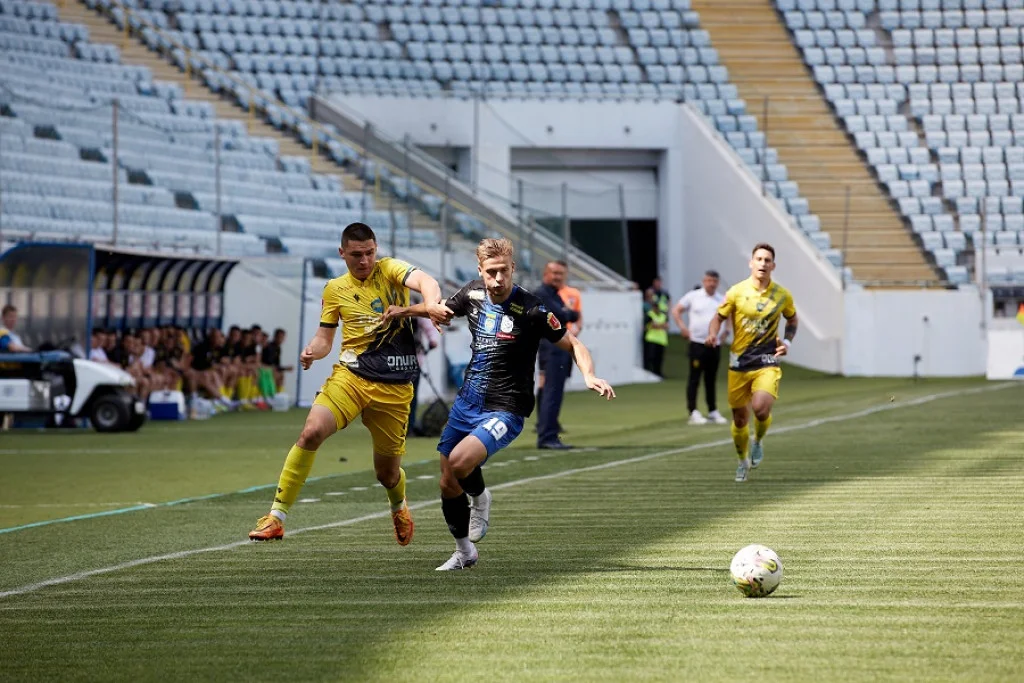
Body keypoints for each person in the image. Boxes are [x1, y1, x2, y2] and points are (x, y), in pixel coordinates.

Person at [384, 238, 615, 571]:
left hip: (506, 407)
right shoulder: (472, 294)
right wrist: (405, 310)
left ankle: (480, 498)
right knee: (447, 480)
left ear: (512, 268)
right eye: (491, 272)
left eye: (504, 271)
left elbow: (574, 343)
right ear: (481, 270)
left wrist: (589, 375)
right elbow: (440, 308)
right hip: (467, 402)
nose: (498, 279)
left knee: (460, 464)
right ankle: (464, 552)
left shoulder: (533, 309)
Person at [248, 222, 450, 546]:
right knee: (311, 431)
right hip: (351, 377)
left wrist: (432, 303)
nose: (365, 260)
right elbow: (325, 338)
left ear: (376, 249)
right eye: (357, 254)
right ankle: (276, 516)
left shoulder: (390, 270)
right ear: (342, 253)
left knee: (387, 474)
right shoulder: (334, 289)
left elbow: (427, 282)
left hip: (395, 387)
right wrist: (312, 351)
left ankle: (398, 505)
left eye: (369, 253)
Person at [707, 243, 798, 483]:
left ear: (773, 266)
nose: (763, 263)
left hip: (767, 361)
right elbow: (718, 318)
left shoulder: (782, 295)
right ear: (751, 263)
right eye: (759, 259)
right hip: (739, 363)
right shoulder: (736, 292)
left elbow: (792, 319)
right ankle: (742, 460)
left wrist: (787, 342)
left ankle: (758, 440)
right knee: (739, 419)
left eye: (767, 260)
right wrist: (713, 334)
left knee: (760, 408)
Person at [672, 270, 730, 425]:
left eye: (714, 281)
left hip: (714, 344)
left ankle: (712, 410)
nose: (711, 284)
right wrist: (683, 328)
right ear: (704, 281)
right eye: (709, 281)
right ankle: (693, 411)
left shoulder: (721, 299)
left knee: (711, 378)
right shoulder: (693, 296)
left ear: (717, 283)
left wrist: (726, 331)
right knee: (694, 377)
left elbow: (729, 315)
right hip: (697, 343)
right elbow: (676, 310)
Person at [535, 260, 580, 449]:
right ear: (545, 274)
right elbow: (559, 315)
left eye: (561, 274)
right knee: (552, 392)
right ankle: (547, 436)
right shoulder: (542, 294)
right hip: (551, 346)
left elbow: (571, 315)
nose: (557, 277)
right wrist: (566, 313)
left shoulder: (554, 295)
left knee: (554, 392)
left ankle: (549, 433)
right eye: (554, 273)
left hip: (557, 345)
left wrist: (565, 313)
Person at [408, 297, 440, 437]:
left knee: (408, 396)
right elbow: (430, 329)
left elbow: (429, 328)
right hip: (410, 361)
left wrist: (432, 341)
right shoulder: (415, 311)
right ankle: (408, 427)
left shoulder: (411, 310)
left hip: (407, 361)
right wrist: (432, 342)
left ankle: (406, 427)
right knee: (411, 396)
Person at [642, 289, 669, 377]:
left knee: (659, 359)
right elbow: (648, 326)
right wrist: (660, 325)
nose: (656, 308)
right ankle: (650, 373)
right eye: (655, 306)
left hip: (661, 340)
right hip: (652, 339)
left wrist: (657, 325)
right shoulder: (649, 314)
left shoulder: (663, 316)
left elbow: (666, 326)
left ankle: (658, 373)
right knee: (651, 358)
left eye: (657, 306)